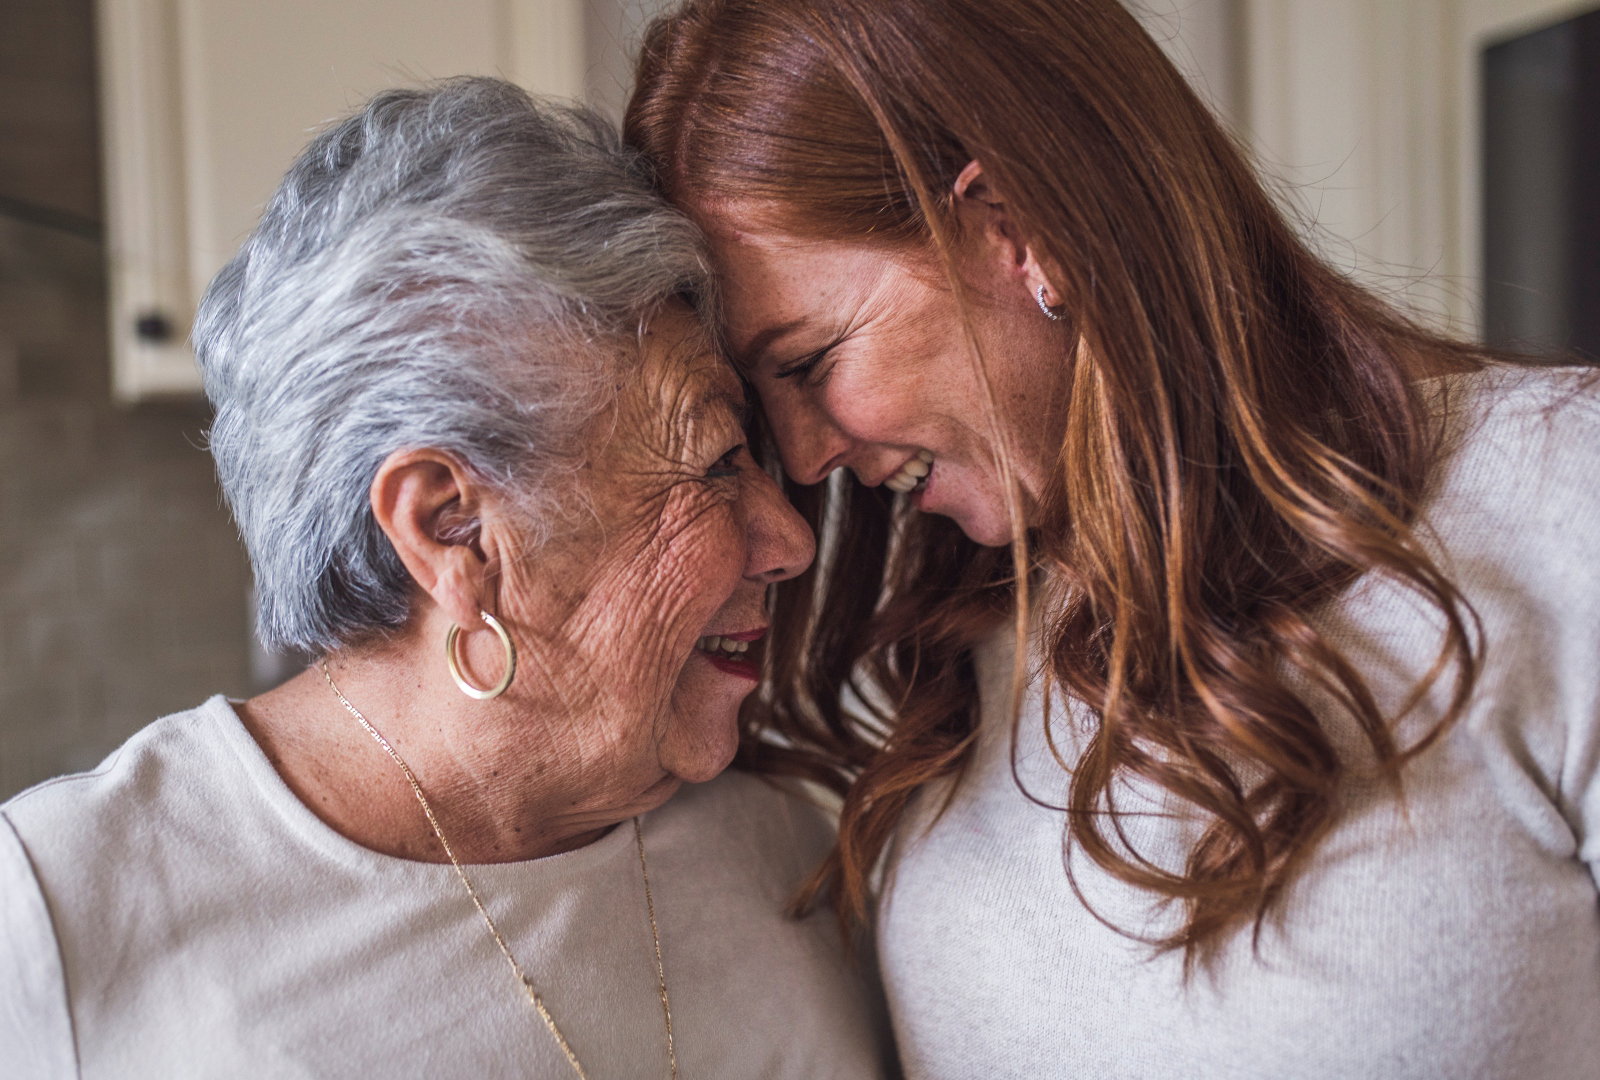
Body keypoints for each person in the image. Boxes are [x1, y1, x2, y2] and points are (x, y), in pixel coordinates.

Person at [624, 2, 1600, 1077]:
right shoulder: (956, 621)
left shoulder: (1562, 492)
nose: (802, 463)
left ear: (1012, 221)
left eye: (808, 362)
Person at [0, 77, 892, 1079]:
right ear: (451, 530)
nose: (788, 541)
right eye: (720, 461)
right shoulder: (55, 916)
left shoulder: (788, 851)